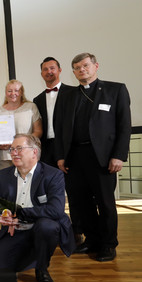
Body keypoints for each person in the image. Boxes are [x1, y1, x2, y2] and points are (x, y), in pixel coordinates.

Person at [55, 52, 131, 262]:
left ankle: (108, 244)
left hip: (103, 158)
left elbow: (124, 126)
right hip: (75, 156)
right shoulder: (68, 95)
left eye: (86, 66)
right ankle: (92, 240)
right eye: (77, 68)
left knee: (105, 203)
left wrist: (118, 156)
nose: (82, 70)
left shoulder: (115, 90)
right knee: (81, 203)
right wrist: (60, 156)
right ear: (73, 72)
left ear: (96, 66)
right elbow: (61, 128)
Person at [0, 134, 74, 282]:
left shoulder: (53, 175)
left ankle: (42, 269)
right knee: (2, 270)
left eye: (19, 148)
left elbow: (56, 210)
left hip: (40, 225)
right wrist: (6, 214)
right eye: (12, 149)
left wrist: (20, 214)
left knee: (48, 227)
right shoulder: (4, 175)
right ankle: (27, 257)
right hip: (14, 228)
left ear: (34, 152)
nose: (13, 153)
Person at [0, 80, 42, 193]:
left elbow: (38, 131)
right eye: (9, 91)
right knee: (0, 191)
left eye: (16, 90)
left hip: (26, 157)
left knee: (27, 190)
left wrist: (23, 144)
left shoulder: (31, 107)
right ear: (5, 93)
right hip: (4, 158)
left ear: (21, 92)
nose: (13, 93)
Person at [33, 57, 73, 168]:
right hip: (46, 148)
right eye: (45, 69)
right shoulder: (37, 99)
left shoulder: (73, 93)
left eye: (52, 68)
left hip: (67, 146)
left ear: (59, 70)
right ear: (41, 74)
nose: (49, 71)